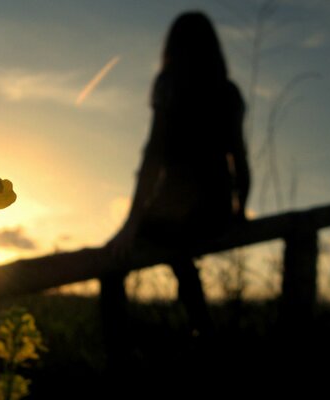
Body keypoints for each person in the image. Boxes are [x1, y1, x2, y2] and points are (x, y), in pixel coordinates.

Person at [101, 12, 250, 341]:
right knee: (178, 245)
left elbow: (153, 156)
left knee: (111, 260)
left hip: (176, 211)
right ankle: (203, 327)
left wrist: (131, 223)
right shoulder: (229, 93)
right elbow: (239, 158)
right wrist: (240, 210)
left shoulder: (169, 83)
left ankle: (117, 348)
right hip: (216, 210)